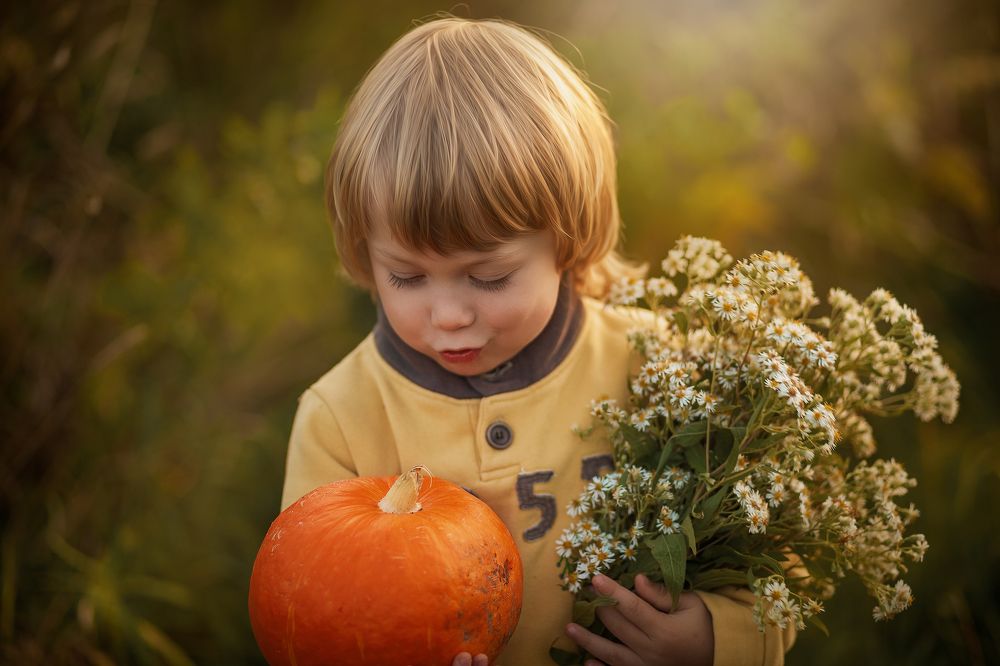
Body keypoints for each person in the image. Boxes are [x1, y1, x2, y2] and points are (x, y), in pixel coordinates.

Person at [280, 15, 794, 666]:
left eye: (488, 277)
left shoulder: (660, 366)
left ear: (566, 240)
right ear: (363, 252)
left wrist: (715, 640)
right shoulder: (340, 417)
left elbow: (778, 561)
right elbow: (307, 611)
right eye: (406, 276)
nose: (449, 316)